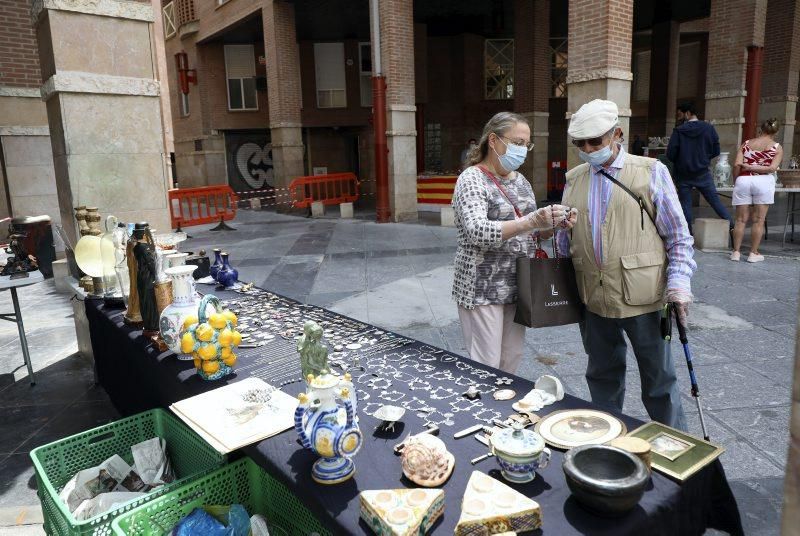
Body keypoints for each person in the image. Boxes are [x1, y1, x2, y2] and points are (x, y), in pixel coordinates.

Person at [557, 99, 696, 430]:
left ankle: (675, 444)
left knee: (659, 380)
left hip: (645, 297)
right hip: (593, 297)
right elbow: (565, 240)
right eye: (580, 143)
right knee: (602, 377)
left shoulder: (650, 171)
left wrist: (679, 284)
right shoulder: (574, 178)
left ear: (616, 134)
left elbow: (678, 237)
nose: (588, 149)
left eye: (596, 141)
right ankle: (606, 441)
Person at [451, 112, 576, 373]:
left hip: (520, 283)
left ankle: (505, 408)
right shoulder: (472, 179)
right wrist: (531, 221)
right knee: (486, 363)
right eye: (517, 142)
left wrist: (552, 224)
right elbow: (477, 231)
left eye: (526, 144)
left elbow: (534, 233)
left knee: (511, 358)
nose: (523, 150)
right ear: (493, 140)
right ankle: (482, 410)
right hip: (482, 287)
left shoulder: (521, 182)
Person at [666, 102, 732, 233]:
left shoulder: (679, 131)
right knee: (715, 202)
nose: (679, 117)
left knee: (685, 206)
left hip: (683, 175)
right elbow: (716, 150)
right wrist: (704, 159)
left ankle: (688, 236)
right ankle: (733, 227)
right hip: (703, 173)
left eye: (681, 114)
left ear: (687, 113)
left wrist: (681, 161)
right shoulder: (708, 128)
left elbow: (670, 154)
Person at [730, 118, 784, 263]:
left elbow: (736, 165)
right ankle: (753, 253)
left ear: (761, 129)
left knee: (740, 220)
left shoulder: (746, 144)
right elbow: (772, 168)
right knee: (758, 220)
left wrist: (737, 180)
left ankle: (736, 252)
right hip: (764, 181)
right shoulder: (777, 147)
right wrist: (755, 168)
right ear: (776, 132)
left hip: (743, 180)